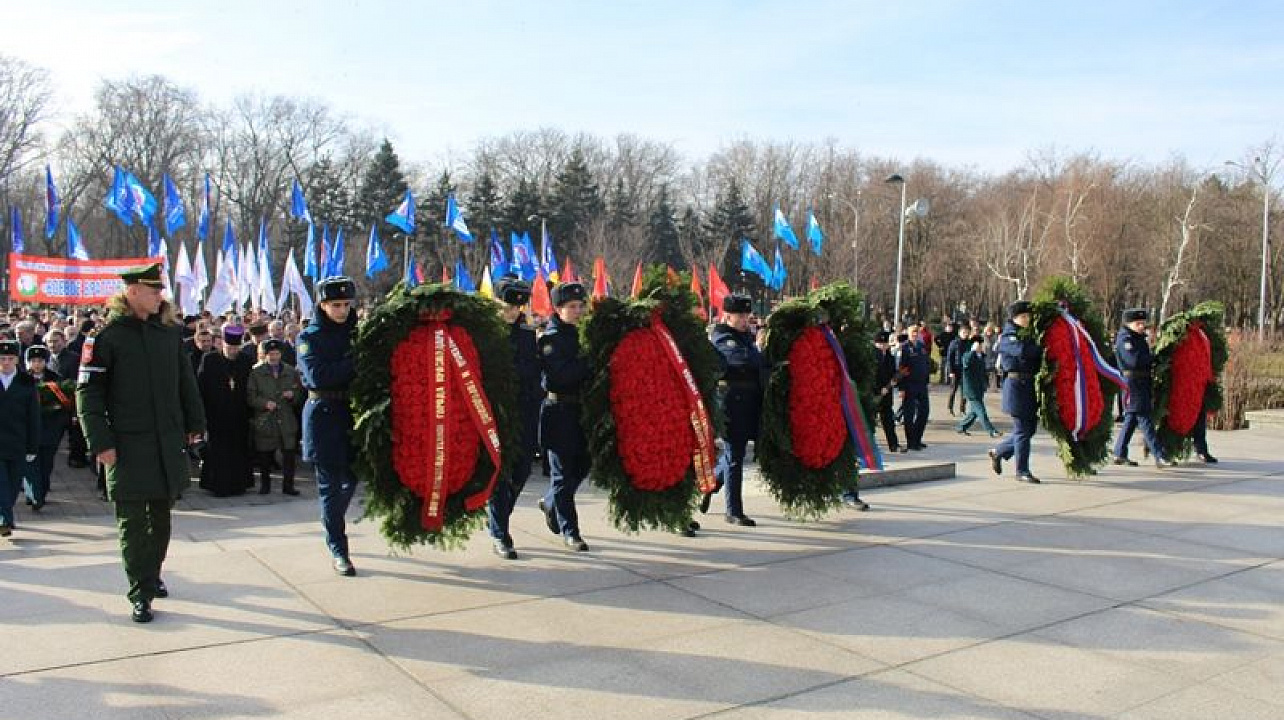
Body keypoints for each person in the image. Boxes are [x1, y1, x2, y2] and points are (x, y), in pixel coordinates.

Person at [77, 263, 206, 623]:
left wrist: (196, 423)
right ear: (132, 292)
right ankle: (140, 590)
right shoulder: (106, 337)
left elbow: (186, 383)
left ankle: (151, 573)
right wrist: (100, 442)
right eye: (153, 290)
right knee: (133, 522)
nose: (160, 296)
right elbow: (88, 394)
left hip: (166, 443)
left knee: (162, 519)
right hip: (126, 446)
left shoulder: (168, 335)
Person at [298, 276, 360, 575]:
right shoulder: (309, 338)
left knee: (351, 479)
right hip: (323, 416)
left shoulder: (355, 333)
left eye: (346, 305)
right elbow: (318, 376)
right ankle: (338, 546)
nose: (342, 311)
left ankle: (332, 524)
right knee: (331, 486)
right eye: (336, 305)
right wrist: (355, 363)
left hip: (350, 413)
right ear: (322, 305)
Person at [485, 278, 543, 559]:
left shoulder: (525, 328)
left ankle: (497, 518)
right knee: (500, 473)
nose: (513, 312)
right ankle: (500, 532)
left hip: (525, 409)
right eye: (508, 307)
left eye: (518, 307)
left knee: (521, 471)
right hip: (495, 412)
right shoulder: (487, 331)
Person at [699, 295, 765, 526]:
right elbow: (739, 362)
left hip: (751, 403)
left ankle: (712, 484)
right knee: (735, 456)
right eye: (741, 316)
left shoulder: (746, 337)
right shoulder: (721, 337)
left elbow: (758, 363)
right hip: (732, 405)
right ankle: (734, 511)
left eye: (747, 316)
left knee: (732, 456)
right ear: (727, 316)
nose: (746, 320)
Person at [537, 281, 592, 551]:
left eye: (581, 306)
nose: (578, 311)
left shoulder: (584, 334)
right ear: (558, 309)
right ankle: (571, 531)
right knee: (562, 473)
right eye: (572, 307)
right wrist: (589, 362)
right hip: (559, 411)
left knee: (583, 466)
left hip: (582, 411)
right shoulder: (550, 340)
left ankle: (550, 502)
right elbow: (561, 376)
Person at [197, 328, 256, 497]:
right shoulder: (210, 360)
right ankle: (217, 485)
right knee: (218, 451)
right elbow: (201, 387)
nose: (233, 352)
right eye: (230, 348)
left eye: (236, 348)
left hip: (239, 414)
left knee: (238, 449)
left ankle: (239, 484)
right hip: (216, 414)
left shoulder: (245, 360)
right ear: (222, 344)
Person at [989, 301, 1043, 483]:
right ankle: (1022, 471)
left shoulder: (1027, 334)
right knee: (1021, 430)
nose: (1027, 320)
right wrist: (1040, 349)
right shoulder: (1008, 335)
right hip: (1016, 386)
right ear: (1014, 318)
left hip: (1028, 386)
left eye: (1028, 316)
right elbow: (1021, 350)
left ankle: (999, 451)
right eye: (1023, 317)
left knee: (1029, 429)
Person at [1113, 309, 1173, 468]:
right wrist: (1152, 357)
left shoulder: (1137, 338)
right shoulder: (1125, 340)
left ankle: (1119, 452)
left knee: (1131, 419)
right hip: (1132, 382)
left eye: (1142, 323)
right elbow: (1132, 361)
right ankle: (1159, 455)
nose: (1141, 326)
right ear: (1128, 324)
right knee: (1144, 419)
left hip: (1141, 381)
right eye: (1138, 323)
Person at [247, 339, 304, 496]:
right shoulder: (256, 373)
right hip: (266, 419)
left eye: (276, 354)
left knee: (289, 454)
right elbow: (250, 396)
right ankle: (265, 485)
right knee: (265, 454)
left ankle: (288, 485)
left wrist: (293, 395)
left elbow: (299, 394)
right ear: (265, 355)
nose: (274, 357)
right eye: (270, 354)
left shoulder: (290, 372)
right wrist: (264, 403)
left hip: (286, 418)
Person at [24, 345, 71, 511]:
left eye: (40, 361)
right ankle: (34, 494)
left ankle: (40, 493)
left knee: (46, 463)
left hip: (49, 428)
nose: (37, 364)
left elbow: (65, 402)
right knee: (29, 464)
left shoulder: (55, 379)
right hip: (27, 429)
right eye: (33, 361)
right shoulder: (22, 379)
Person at [0, 340, 39, 536]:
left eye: (10, 358)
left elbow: (33, 417)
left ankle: (5, 514)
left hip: (17, 442)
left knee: (14, 484)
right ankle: (4, 520)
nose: (6, 362)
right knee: (1, 484)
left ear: (17, 360)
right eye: (2, 359)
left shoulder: (26, 382)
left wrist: (32, 447)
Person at [955, 335, 1000, 437]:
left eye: (980, 344)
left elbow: (983, 372)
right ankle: (991, 431)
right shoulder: (968, 355)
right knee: (981, 411)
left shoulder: (981, 357)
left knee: (973, 413)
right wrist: (972, 351)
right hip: (971, 390)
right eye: (978, 345)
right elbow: (966, 364)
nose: (980, 346)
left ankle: (961, 427)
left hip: (979, 389)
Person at [898, 324, 931, 451]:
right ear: (909, 333)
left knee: (924, 412)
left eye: (917, 332)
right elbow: (902, 368)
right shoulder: (906, 348)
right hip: (909, 385)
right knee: (909, 414)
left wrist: (927, 380)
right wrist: (901, 387)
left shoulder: (922, 347)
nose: (915, 334)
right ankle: (911, 442)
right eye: (913, 332)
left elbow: (926, 364)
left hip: (921, 385)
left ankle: (917, 438)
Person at [871, 331, 903, 454]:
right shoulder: (872, 356)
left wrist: (895, 380)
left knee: (888, 420)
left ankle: (893, 445)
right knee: (871, 421)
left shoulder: (890, 356)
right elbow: (871, 375)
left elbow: (893, 372)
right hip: (874, 394)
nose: (883, 346)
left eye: (885, 344)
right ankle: (871, 446)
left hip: (887, 394)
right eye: (880, 344)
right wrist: (879, 389)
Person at [944, 325, 972, 415]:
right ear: (959, 333)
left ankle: (962, 409)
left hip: (966, 370)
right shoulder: (954, 343)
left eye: (967, 332)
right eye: (963, 332)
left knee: (965, 391)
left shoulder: (969, 343)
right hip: (956, 369)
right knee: (953, 389)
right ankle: (949, 408)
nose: (965, 334)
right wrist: (951, 371)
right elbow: (950, 358)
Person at [934, 321, 957, 385]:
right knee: (943, 366)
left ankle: (948, 380)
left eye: (951, 327)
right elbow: (935, 339)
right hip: (944, 352)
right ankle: (942, 380)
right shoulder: (942, 334)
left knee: (949, 367)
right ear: (946, 328)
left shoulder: (954, 335)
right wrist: (940, 345)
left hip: (952, 353)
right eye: (948, 327)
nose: (950, 328)